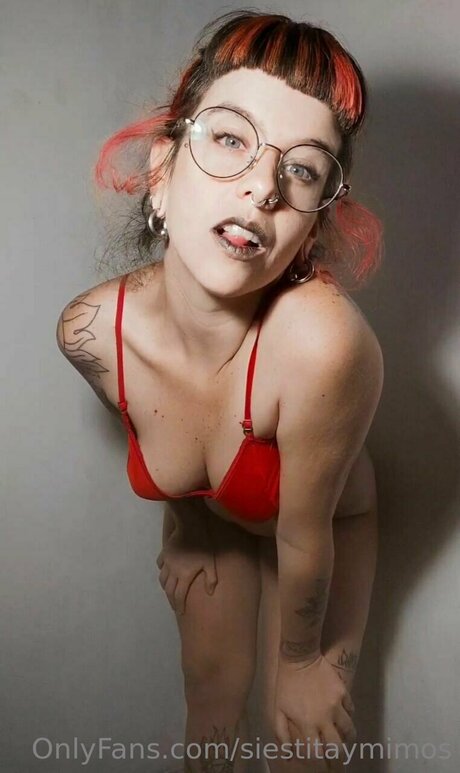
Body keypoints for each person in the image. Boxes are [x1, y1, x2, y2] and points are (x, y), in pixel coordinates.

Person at [56, 10, 384, 772]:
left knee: (302, 750)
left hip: (323, 533)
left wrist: (301, 662)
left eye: (303, 169)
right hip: (219, 522)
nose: (263, 187)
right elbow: (174, 426)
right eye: (231, 138)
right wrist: (187, 523)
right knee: (209, 717)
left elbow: (305, 533)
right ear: (162, 171)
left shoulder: (325, 345)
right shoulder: (91, 333)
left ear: (311, 229)